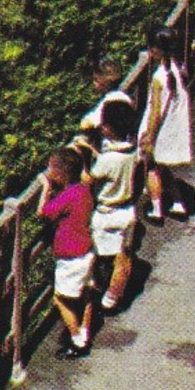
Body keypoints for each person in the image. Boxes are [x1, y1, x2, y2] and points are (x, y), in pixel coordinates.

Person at [36, 146, 95, 358]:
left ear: (60, 174)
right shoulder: (84, 189)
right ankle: (86, 331)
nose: (48, 171)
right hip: (87, 251)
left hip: (71, 257)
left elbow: (42, 212)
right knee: (85, 294)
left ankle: (78, 340)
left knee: (60, 299)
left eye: (51, 169)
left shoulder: (68, 196)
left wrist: (45, 188)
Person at [88, 98, 142, 311]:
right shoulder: (131, 152)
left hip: (105, 212)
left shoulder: (107, 159)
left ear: (108, 128)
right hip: (126, 210)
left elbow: (90, 178)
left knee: (93, 252)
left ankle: (94, 287)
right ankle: (113, 297)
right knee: (123, 257)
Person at [138, 28, 192, 221]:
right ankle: (177, 203)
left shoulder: (159, 77)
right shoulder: (177, 69)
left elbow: (155, 111)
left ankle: (156, 208)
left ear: (155, 50)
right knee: (163, 168)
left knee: (152, 168)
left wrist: (149, 136)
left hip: (160, 129)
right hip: (173, 127)